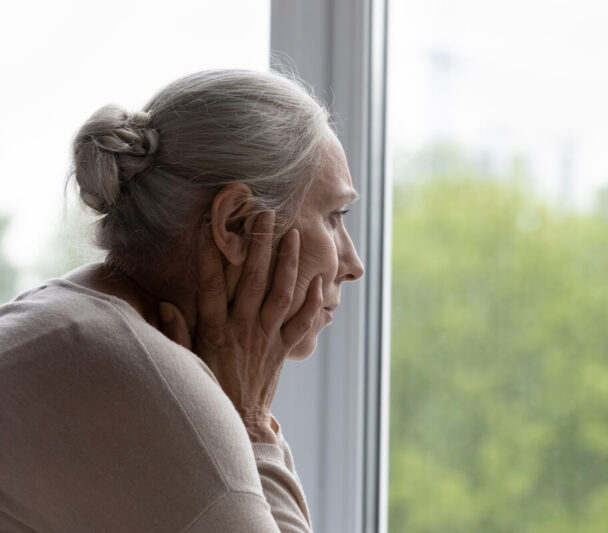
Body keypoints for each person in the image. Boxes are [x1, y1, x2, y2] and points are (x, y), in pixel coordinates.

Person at [0, 69, 364, 532]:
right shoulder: (136, 376)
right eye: (334, 216)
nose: (353, 264)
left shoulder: (69, 323)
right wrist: (249, 421)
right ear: (236, 223)